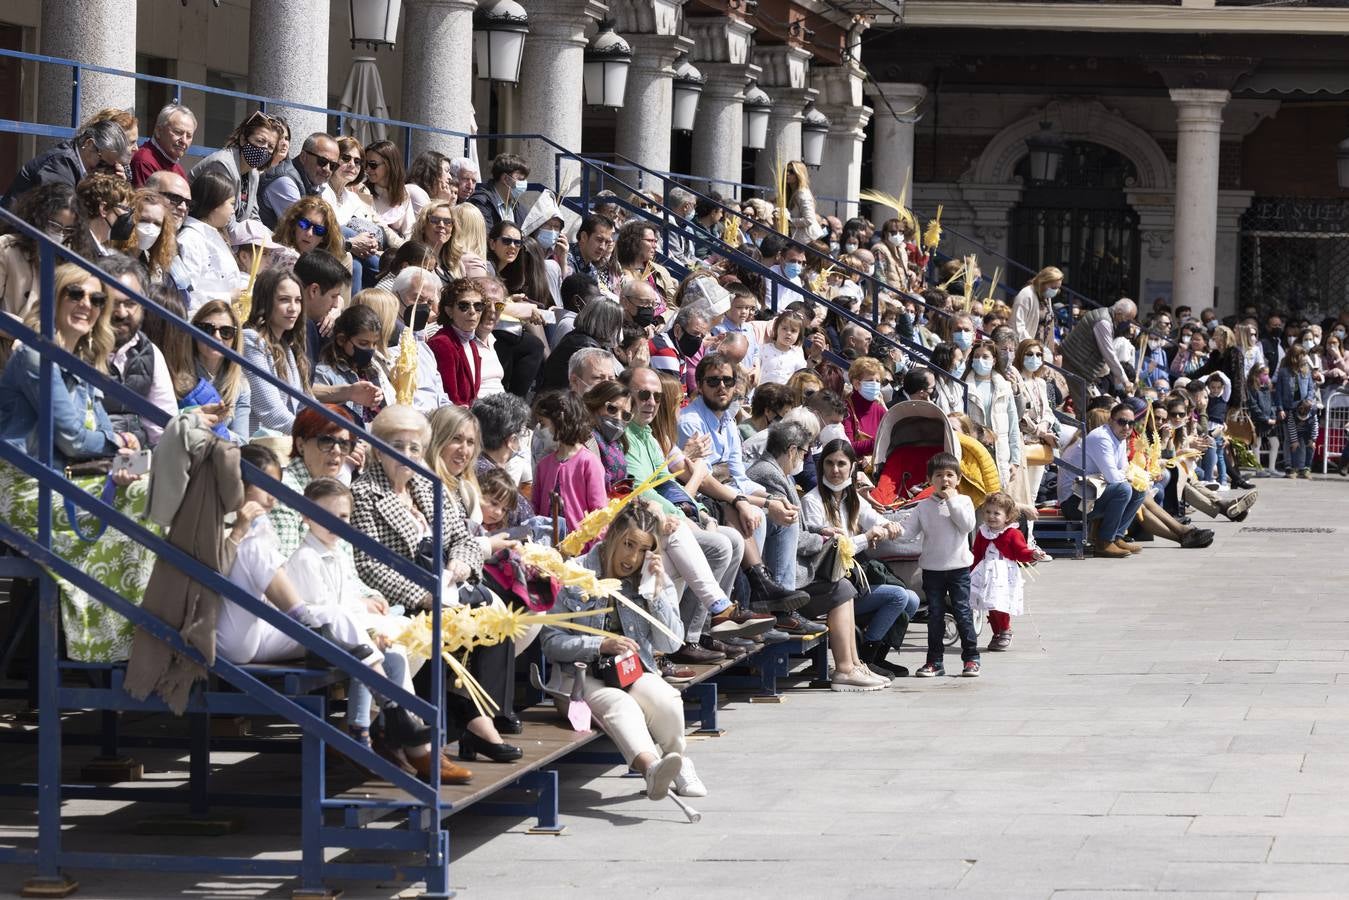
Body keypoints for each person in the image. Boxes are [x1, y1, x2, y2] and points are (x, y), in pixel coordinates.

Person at [350, 405, 521, 760]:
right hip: (405, 595)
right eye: (399, 447)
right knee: (440, 627)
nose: (409, 455)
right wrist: (426, 596)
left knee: (498, 617)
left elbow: (463, 538)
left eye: (415, 448)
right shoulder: (365, 494)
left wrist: (461, 561)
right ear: (378, 448)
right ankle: (456, 724)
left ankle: (474, 715)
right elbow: (368, 565)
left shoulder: (428, 486)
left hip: (446, 584)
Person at [541, 503, 705, 801]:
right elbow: (551, 642)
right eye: (629, 545)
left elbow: (671, 643)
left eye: (644, 550)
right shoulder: (575, 573)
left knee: (667, 698)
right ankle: (651, 769)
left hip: (632, 668)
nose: (633, 558)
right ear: (612, 535)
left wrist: (655, 594)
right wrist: (599, 645)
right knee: (622, 704)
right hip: (578, 676)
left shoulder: (651, 575)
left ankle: (678, 763)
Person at [0, 263, 143, 464]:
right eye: (76, 294)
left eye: (97, 299)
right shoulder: (35, 355)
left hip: (72, 474)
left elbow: (104, 430)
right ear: (54, 299)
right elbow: (72, 440)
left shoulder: (84, 363)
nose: (86, 304)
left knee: (143, 472)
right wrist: (118, 441)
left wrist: (126, 447)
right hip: (28, 479)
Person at [892, 452, 981, 678]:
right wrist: (888, 530)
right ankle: (934, 661)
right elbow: (908, 532)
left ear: (959, 479)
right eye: (939, 475)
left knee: (962, 612)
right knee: (935, 616)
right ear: (930, 480)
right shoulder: (923, 507)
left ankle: (971, 658)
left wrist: (951, 501)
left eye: (950, 475)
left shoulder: (964, 501)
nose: (945, 480)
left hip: (959, 569)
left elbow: (966, 525)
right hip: (932, 570)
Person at [99, 254, 178, 447]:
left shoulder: (150, 353)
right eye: (114, 303)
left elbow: (162, 430)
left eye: (130, 303)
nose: (122, 313)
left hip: (137, 462)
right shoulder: (78, 346)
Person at [970, 491, 1047, 653]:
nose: (991, 516)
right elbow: (977, 553)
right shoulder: (983, 532)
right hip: (985, 572)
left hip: (1003, 573)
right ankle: (996, 632)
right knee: (989, 603)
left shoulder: (1013, 533)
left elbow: (1021, 552)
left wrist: (1032, 554)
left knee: (999, 602)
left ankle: (1005, 630)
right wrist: (970, 571)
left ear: (1008, 516)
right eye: (988, 512)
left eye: (996, 513)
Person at [1, 183, 81, 332]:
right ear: (39, 218)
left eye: (68, 230)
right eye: (55, 226)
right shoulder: (7, 248)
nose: (60, 235)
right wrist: (32, 331)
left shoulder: (67, 260)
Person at [190, 111, 283, 233]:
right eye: (260, 141)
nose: (264, 149)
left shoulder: (253, 173)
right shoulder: (222, 164)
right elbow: (225, 220)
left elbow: (253, 215)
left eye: (270, 146)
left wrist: (269, 239)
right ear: (243, 139)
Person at [3, 119, 129, 209]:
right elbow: (63, 213)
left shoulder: (79, 164)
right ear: (88, 144)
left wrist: (115, 189)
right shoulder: (60, 164)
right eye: (102, 162)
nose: (103, 169)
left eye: (109, 166)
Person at [242, 267, 310, 433]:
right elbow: (272, 413)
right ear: (266, 301)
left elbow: (306, 404)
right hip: (260, 449)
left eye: (298, 300)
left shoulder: (287, 347)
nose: (293, 308)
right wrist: (318, 435)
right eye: (284, 300)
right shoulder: (250, 340)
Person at [530, 391, 606, 531]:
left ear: (560, 419)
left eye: (543, 423)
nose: (540, 430)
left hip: (581, 548)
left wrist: (594, 546)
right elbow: (535, 505)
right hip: (546, 545)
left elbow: (599, 512)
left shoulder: (589, 462)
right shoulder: (544, 465)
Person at [1083, 402, 1149, 558]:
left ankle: (1116, 537)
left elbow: (1124, 469)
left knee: (1139, 489)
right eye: (1122, 422)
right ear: (1111, 421)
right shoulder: (1102, 438)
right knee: (1124, 488)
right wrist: (1130, 477)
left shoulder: (1119, 438)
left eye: (1131, 423)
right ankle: (1104, 542)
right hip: (1076, 499)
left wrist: (1133, 478)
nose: (1127, 427)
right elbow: (1113, 477)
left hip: (1093, 492)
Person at [176, 168, 243, 313]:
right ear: (215, 205)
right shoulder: (190, 240)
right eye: (231, 204)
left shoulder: (213, 234)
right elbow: (188, 296)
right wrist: (228, 297)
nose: (233, 211)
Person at [314, 305, 391, 426]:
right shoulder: (324, 374)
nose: (370, 350)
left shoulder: (374, 368)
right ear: (341, 340)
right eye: (363, 343)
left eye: (374, 344)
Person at [189, 300, 251, 442]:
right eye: (207, 329)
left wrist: (216, 429)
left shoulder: (240, 385)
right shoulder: (177, 372)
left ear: (235, 339)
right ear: (194, 331)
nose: (216, 337)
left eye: (226, 332)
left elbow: (242, 441)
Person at [1059, 298, 1137, 411]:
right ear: (1119, 313)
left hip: (1079, 365)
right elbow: (1109, 354)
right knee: (1084, 408)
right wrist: (1125, 380)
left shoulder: (1106, 316)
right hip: (1075, 364)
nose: (1127, 323)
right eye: (1127, 319)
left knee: (1085, 405)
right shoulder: (1103, 321)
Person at [963, 339, 1022, 487]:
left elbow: (1013, 424)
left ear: (994, 360)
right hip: (975, 449)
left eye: (985, 357)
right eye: (976, 356)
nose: (980, 360)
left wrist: (1015, 460)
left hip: (999, 452)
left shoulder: (1004, 387)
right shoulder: (964, 386)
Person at [538, 300, 622, 392]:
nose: (618, 330)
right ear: (607, 324)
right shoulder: (584, 346)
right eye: (616, 324)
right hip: (561, 400)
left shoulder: (581, 338)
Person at [427, 277, 487, 406]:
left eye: (478, 306)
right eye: (464, 306)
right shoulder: (442, 344)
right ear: (449, 311)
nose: (472, 311)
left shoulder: (471, 343)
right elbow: (450, 398)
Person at [1275, 344, 1319, 479]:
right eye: (1301, 356)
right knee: (1289, 438)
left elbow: (1311, 388)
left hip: (1304, 408)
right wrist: (1280, 408)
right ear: (1294, 357)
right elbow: (1279, 392)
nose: (1304, 358)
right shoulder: (1283, 372)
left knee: (1303, 438)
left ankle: (1302, 467)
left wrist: (1309, 400)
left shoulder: (1306, 370)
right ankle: (1289, 467)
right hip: (1289, 409)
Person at [360, 139, 415, 245]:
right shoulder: (363, 192)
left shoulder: (403, 193)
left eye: (373, 165)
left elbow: (410, 231)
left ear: (389, 165)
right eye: (365, 164)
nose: (367, 169)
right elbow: (375, 225)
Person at [130, 102, 196, 185]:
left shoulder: (179, 170)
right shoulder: (143, 161)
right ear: (158, 131)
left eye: (189, 136)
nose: (184, 141)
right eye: (178, 132)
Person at [466, 153, 529, 234]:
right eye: (519, 179)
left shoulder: (521, 210)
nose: (523, 184)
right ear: (505, 178)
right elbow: (485, 237)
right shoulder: (480, 203)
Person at [74, 173, 134, 258]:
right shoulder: (79, 250)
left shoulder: (104, 251)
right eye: (126, 209)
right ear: (104, 209)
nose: (130, 216)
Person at [842, 356, 887, 464]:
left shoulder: (880, 410)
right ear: (856, 384)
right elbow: (847, 446)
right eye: (871, 381)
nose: (875, 384)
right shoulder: (845, 409)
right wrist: (877, 443)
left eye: (878, 381)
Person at [1011, 266, 1062, 351]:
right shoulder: (1026, 295)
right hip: (1027, 350)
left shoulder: (1045, 296)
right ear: (1042, 282)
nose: (1055, 291)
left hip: (1042, 349)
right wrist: (1030, 346)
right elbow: (1017, 325)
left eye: (1058, 288)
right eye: (1053, 288)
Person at [757, 308, 808, 386]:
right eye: (784, 328)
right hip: (761, 394)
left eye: (793, 331)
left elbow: (800, 380)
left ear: (799, 335)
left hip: (784, 396)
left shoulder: (797, 357)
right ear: (776, 328)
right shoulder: (762, 349)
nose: (788, 333)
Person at [405, 150, 454, 214]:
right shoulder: (415, 191)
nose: (450, 177)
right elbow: (430, 221)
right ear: (432, 172)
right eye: (446, 171)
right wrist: (443, 200)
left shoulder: (424, 194)